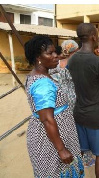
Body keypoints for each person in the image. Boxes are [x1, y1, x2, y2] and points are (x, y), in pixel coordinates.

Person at [24, 35, 84, 177]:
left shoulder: (42, 75)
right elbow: (47, 119)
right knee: (57, 172)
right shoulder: (42, 84)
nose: (56, 56)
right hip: (51, 140)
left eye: (55, 52)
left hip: (57, 133)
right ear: (38, 58)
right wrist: (61, 149)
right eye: (50, 53)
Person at [68, 23, 99, 178]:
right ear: (93, 37)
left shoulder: (72, 59)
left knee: (81, 153)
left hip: (79, 114)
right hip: (98, 118)